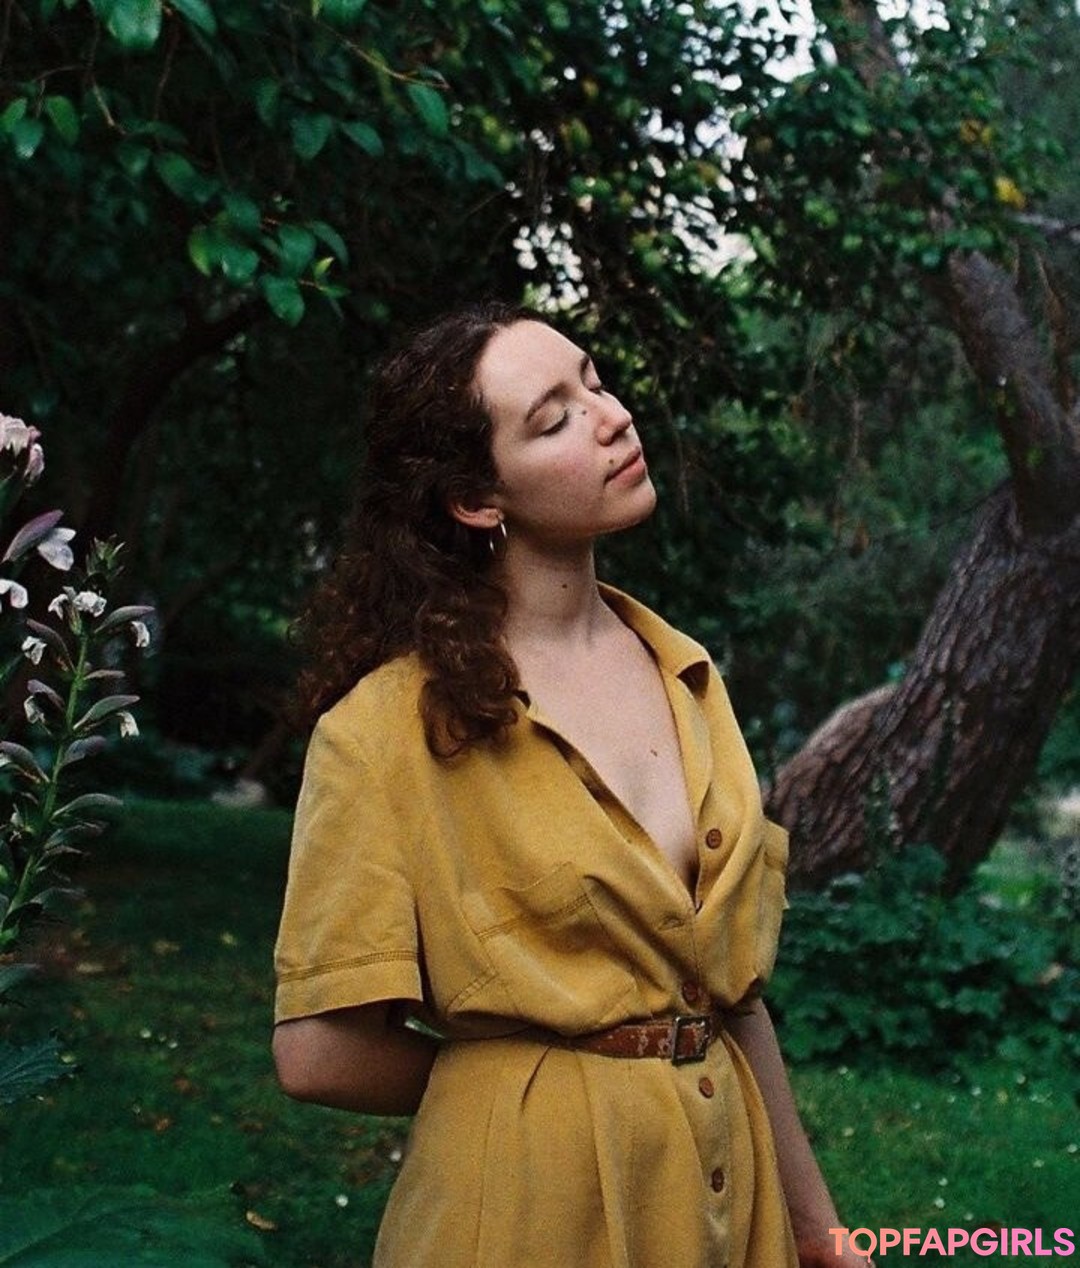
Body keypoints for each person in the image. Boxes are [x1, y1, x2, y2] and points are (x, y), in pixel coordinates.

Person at [272, 301, 870, 1268]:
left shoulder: (687, 676)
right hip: (525, 1213)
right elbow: (318, 1054)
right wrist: (545, 1093)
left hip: (734, 1198)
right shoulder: (383, 734)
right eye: (554, 419)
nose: (613, 417)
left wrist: (818, 1226)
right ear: (478, 500)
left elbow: (730, 994)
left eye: (595, 382)